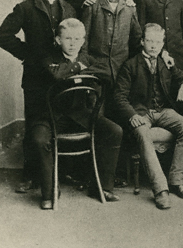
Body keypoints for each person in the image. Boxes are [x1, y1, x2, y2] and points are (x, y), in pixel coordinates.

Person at [0, 0, 76, 193]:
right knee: (34, 125)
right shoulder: (25, 7)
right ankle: (30, 174)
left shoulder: (68, 8)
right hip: (35, 79)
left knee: (59, 121)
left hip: (60, 76)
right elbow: (3, 35)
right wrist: (28, 55)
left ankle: (59, 171)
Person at [35, 18, 123, 209]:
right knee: (40, 139)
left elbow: (108, 72)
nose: (73, 43)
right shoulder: (47, 57)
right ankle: (50, 192)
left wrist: (78, 69)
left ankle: (102, 187)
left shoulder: (87, 58)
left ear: (83, 41)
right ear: (58, 40)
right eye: (68, 38)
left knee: (114, 131)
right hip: (51, 117)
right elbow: (56, 75)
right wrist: (78, 69)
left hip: (81, 116)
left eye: (77, 39)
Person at [112, 23, 183, 210]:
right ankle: (160, 190)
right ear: (142, 42)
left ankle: (176, 181)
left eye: (158, 42)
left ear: (162, 43)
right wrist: (132, 115)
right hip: (141, 113)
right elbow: (119, 97)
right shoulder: (130, 65)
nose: (153, 45)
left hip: (163, 111)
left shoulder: (165, 63)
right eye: (149, 41)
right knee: (143, 133)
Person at [81, 0, 142, 116]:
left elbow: (137, 41)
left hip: (122, 70)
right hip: (96, 70)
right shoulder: (93, 6)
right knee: (97, 113)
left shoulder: (129, 8)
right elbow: (84, 41)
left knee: (121, 112)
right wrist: (87, 65)